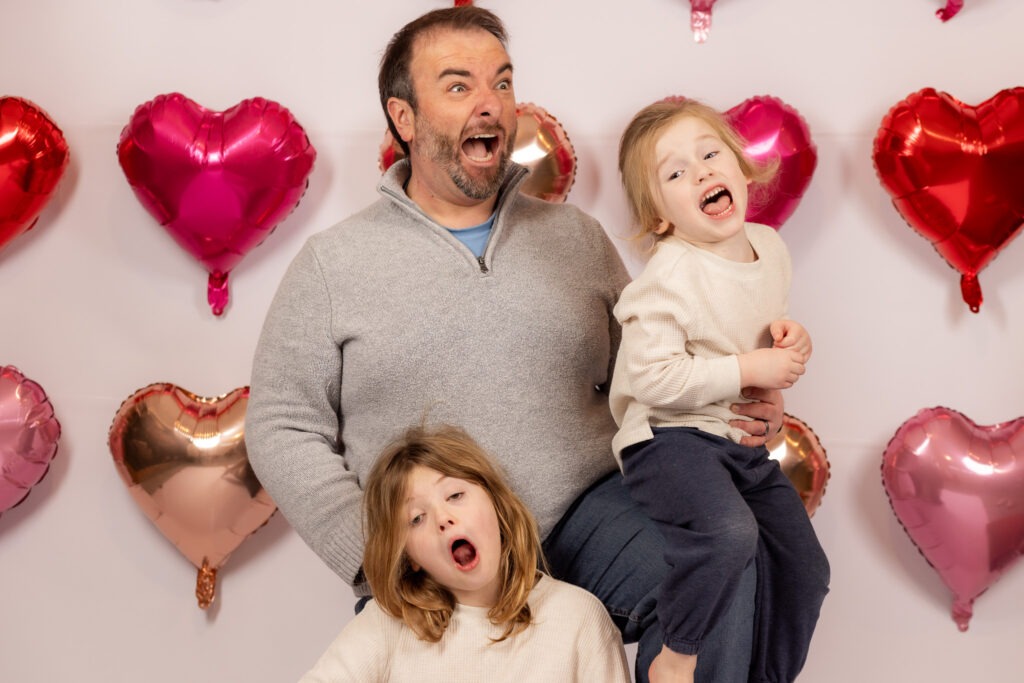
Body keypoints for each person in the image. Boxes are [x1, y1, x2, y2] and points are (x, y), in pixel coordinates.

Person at [245, 7, 784, 682]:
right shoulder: (334, 264)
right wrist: (375, 552)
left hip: (588, 516)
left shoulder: (576, 238)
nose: (491, 104)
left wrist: (736, 402)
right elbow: (279, 423)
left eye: (501, 82)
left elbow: (652, 370)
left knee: (723, 559)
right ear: (404, 118)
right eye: (459, 85)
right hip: (441, 544)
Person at [610, 98, 830, 683]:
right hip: (667, 442)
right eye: (676, 173)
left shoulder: (770, 248)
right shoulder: (669, 277)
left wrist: (789, 345)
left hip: (736, 441)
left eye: (711, 155)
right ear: (660, 216)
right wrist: (746, 365)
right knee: (729, 535)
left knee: (806, 567)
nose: (703, 172)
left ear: (739, 166)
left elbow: (757, 332)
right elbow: (654, 378)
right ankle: (676, 657)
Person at [298, 423, 631, 682]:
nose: (443, 519)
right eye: (417, 518)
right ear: (410, 559)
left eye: (455, 495)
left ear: (497, 506)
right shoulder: (387, 625)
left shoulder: (578, 617)